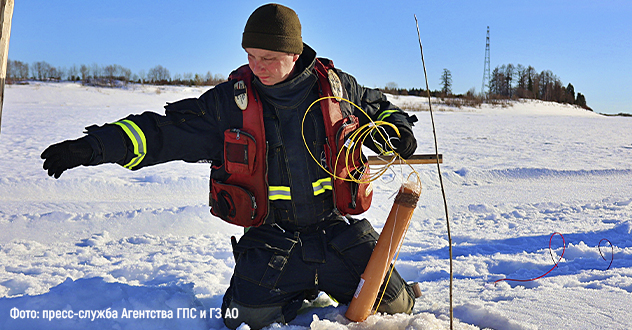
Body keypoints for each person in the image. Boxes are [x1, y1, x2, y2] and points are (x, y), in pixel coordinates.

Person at [41, 4, 419, 329]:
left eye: (268, 58)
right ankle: (292, 287)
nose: (257, 67)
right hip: (274, 241)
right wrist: (92, 147)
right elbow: (161, 133)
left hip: (335, 234)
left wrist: (398, 130)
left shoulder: (336, 88)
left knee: (397, 306)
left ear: (295, 52)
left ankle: (316, 283)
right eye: (251, 55)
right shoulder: (229, 104)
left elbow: (379, 108)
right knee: (241, 317)